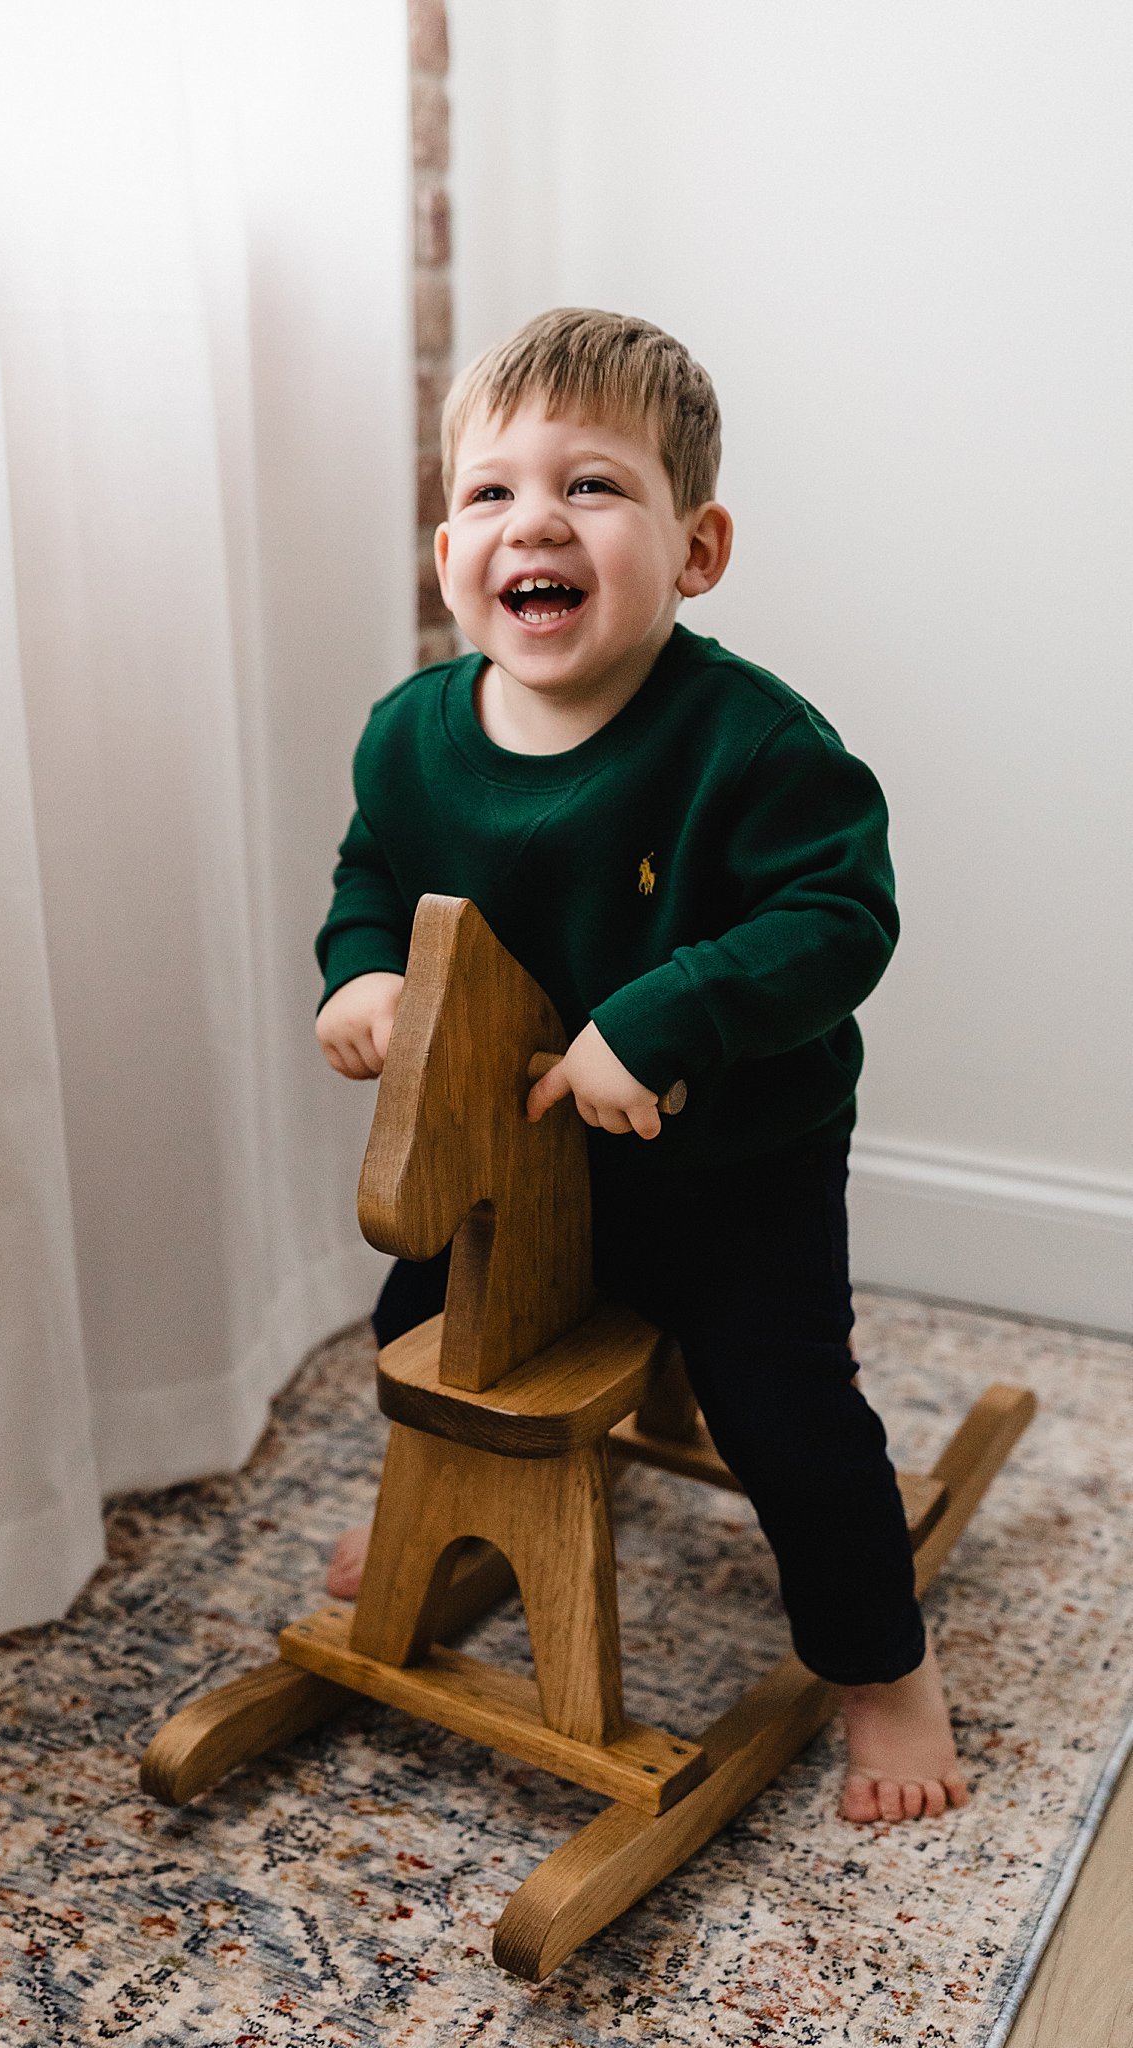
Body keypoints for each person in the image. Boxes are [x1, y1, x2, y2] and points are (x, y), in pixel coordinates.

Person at [313, 307, 968, 1826]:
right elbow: (372, 873)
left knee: (789, 1410)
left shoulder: (750, 743)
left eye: (592, 486)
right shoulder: (410, 736)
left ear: (698, 548)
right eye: (491, 493)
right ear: (447, 546)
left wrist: (663, 1015)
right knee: (418, 1327)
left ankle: (884, 1670)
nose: (533, 519)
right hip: (518, 1165)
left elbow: (838, 918)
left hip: (731, 1156)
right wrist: (361, 972)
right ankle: (448, 1527)